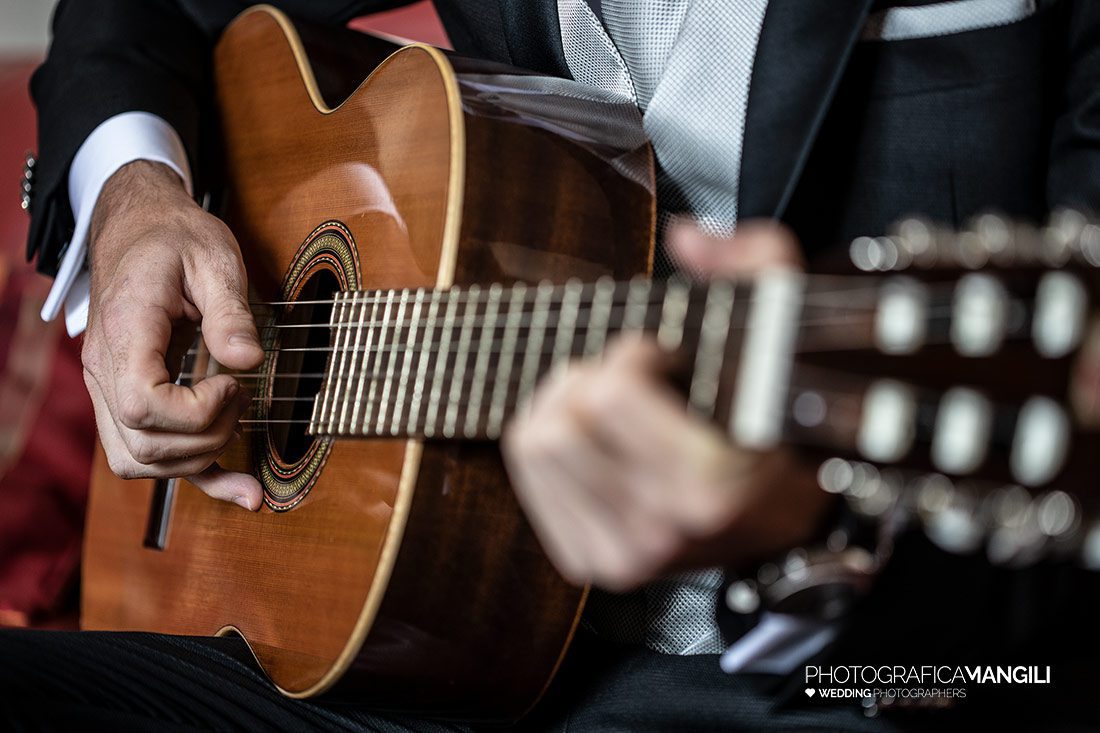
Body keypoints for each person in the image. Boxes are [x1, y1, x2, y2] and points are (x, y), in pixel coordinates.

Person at [4, 0, 1100, 730]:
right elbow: (136, 13)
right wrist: (131, 199)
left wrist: (809, 534)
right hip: (410, 658)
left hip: (857, 681)